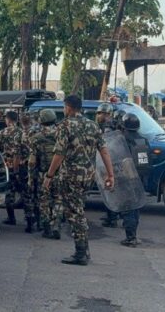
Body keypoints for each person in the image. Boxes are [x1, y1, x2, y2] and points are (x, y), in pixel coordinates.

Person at [43, 95, 115, 266]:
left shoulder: (65, 126)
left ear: (68, 107)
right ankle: (84, 250)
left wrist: (49, 175)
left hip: (71, 177)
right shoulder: (93, 126)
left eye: (64, 107)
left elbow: (59, 154)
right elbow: (104, 151)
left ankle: (81, 253)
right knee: (78, 208)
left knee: (75, 214)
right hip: (88, 177)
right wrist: (110, 175)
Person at [118, 113, 150, 247]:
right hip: (140, 178)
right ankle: (134, 234)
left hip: (126, 178)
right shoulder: (143, 140)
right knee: (136, 207)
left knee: (128, 208)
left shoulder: (122, 140)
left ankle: (130, 237)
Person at [29, 109, 60, 240]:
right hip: (60, 174)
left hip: (43, 175)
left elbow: (32, 161)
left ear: (41, 121)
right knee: (58, 200)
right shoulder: (61, 135)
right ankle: (56, 226)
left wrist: (30, 178)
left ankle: (47, 229)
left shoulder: (36, 138)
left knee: (44, 201)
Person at [0, 111, 27, 228]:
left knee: (9, 193)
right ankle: (30, 219)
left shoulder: (2, 133)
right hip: (21, 166)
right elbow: (26, 150)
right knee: (25, 192)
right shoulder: (22, 133)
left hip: (8, 167)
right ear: (16, 120)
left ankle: (11, 218)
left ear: (8, 120)